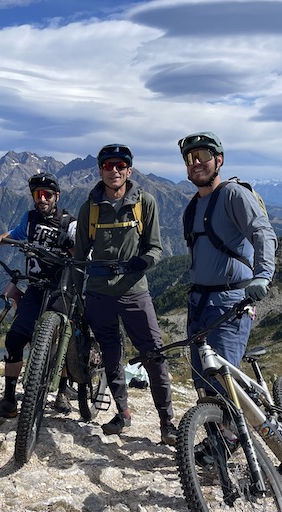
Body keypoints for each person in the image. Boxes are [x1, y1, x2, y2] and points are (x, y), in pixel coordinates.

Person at [73, 144, 178, 446]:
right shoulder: (89, 208)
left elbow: (155, 248)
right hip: (98, 293)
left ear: (129, 170)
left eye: (120, 165)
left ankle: (167, 422)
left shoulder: (145, 203)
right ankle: (123, 412)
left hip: (134, 292)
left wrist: (143, 262)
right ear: (100, 171)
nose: (114, 170)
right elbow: (80, 257)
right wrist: (76, 295)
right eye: (108, 166)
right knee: (111, 354)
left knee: (154, 355)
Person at [177, 131, 276, 396]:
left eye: (204, 155)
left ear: (219, 160)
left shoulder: (233, 194)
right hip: (198, 304)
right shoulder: (191, 207)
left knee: (223, 382)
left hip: (230, 303)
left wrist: (263, 275)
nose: (196, 162)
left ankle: (231, 437)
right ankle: (214, 436)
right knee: (201, 382)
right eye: (190, 157)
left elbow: (262, 233)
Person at [0, 172, 77, 418]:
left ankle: (62, 392)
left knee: (58, 345)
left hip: (60, 290)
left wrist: (69, 243)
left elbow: (83, 253)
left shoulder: (70, 223)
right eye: (37, 194)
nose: (42, 198)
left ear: (57, 197)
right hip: (34, 287)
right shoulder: (30, 219)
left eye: (47, 194)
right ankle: (9, 401)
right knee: (14, 341)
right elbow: (12, 235)